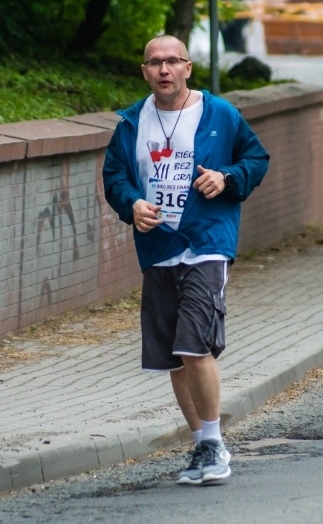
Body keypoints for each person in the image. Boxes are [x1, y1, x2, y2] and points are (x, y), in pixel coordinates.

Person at [102, 35, 270, 483]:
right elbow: (115, 175)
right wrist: (131, 204)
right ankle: (200, 446)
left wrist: (227, 177)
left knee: (194, 345)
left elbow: (256, 158)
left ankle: (215, 445)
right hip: (159, 247)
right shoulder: (131, 122)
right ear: (144, 71)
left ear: (187, 68)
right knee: (173, 356)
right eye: (154, 62)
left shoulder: (219, 114)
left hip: (206, 241)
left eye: (172, 61)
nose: (163, 69)